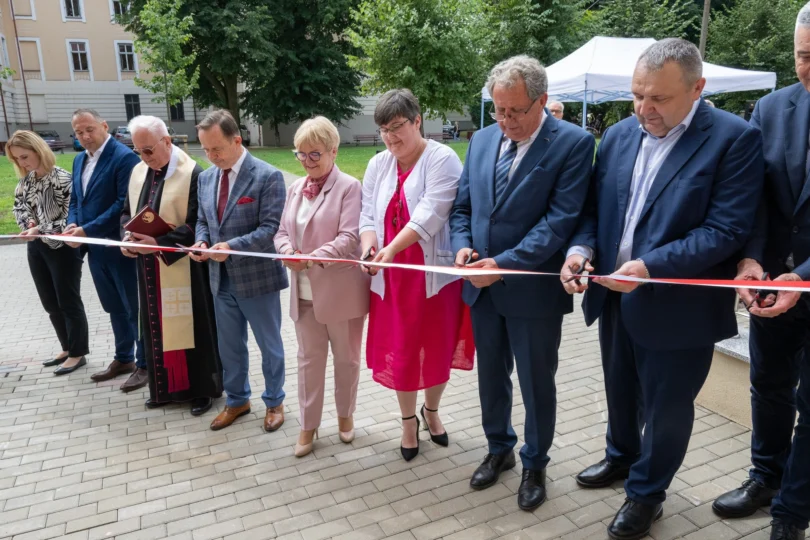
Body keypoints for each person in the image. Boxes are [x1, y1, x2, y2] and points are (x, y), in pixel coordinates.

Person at [562, 39, 764, 540]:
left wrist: (648, 266)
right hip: (614, 295)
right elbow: (594, 209)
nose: (643, 110)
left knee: (668, 408)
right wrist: (580, 251)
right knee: (620, 389)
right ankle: (621, 457)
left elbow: (724, 230)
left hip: (679, 308)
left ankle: (647, 494)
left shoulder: (734, 139)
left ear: (697, 89)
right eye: (636, 96)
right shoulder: (619, 135)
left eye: (658, 99)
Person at [449, 55, 595, 512]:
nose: (505, 120)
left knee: (536, 383)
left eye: (515, 110)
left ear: (542, 101)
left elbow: (558, 222)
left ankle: (535, 463)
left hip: (531, 291)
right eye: (498, 110)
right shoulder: (482, 141)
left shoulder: (573, 144)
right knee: (492, 377)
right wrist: (462, 247)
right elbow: (463, 210)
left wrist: (504, 263)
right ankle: (500, 449)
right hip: (482, 286)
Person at [711, 5, 810, 539]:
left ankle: (792, 513)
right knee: (769, 386)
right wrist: (751, 261)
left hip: (805, 282)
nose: (809, 67)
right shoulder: (770, 110)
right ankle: (765, 478)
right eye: (803, 57)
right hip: (773, 285)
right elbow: (750, 199)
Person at [360, 88, 475, 462]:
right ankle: (408, 420)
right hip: (392, 281)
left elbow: (431, 212)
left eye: (397, 127)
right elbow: (366, 215)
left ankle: (433, 411)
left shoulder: (442, 159)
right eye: (384, 130)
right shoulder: (378, 164)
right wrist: (369, 245)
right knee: (403, 351)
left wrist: (391, 249)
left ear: (417, 121)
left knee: (436, 349)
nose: (391, 137)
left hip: (430, 280)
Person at [274, 116, 369, 457]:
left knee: (346, 361)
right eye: (300, 154)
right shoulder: (295, 188)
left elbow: (349, 237)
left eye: (314, 154)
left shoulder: (349, 187)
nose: (307, 161)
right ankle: (307, 425)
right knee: (308, 363)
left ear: (333, 150)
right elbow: (282, 232)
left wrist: (312, 258)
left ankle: (345, 416)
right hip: (303, 294)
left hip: (340, 293)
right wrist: (287, 251)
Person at [190, 110, 288, 432]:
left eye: (216, 149)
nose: (211, 155)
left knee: (269, 345)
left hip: (257, 278)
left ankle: (274, 401)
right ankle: (237, 401)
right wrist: (202, 242)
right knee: (229, 347)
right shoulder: (206, 177)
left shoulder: (267, 176)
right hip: (220, 280)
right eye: (205, 149)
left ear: (237, 140)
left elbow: (270, 228)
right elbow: (204, 220)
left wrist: (230, 246)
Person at [119, 115, 222, 416]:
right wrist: (126, 236)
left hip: (184, 268)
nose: (144, 157)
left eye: (149, 150)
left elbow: (198, 224)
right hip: (149, 269)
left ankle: (202, 391)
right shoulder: (139, 172)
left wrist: (161, 241)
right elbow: (127, 212)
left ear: (167, 141)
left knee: (194, 331)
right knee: (155, 328)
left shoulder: (192, 173)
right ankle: (163, 389)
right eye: (138, 151)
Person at [64, 109, 145, 388]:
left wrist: (87, 230)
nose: (85, 136)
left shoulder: (124, 158)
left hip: (120, 248)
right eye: (79, 132)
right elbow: (76, 200)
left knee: (133, 307)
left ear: (104, 125)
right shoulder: (78, 160)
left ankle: (145, 363)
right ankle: (124, 358)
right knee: (113, 307)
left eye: (89, 129)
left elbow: (123, 203)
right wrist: (72, 224)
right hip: (95, 250)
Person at [9, 130, 89, 375]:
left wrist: (40, 228)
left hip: (63, 248)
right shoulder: (26, 182)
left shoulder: (64, 179)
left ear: (38, 150)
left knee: (68, 300)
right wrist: (29, 227)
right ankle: (66, 347)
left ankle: (78, 353)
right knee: (49, 302)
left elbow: (70, 216)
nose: (22, 163)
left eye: (25, 156)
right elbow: (19, 208)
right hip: (36, 247)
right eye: (17, 160)